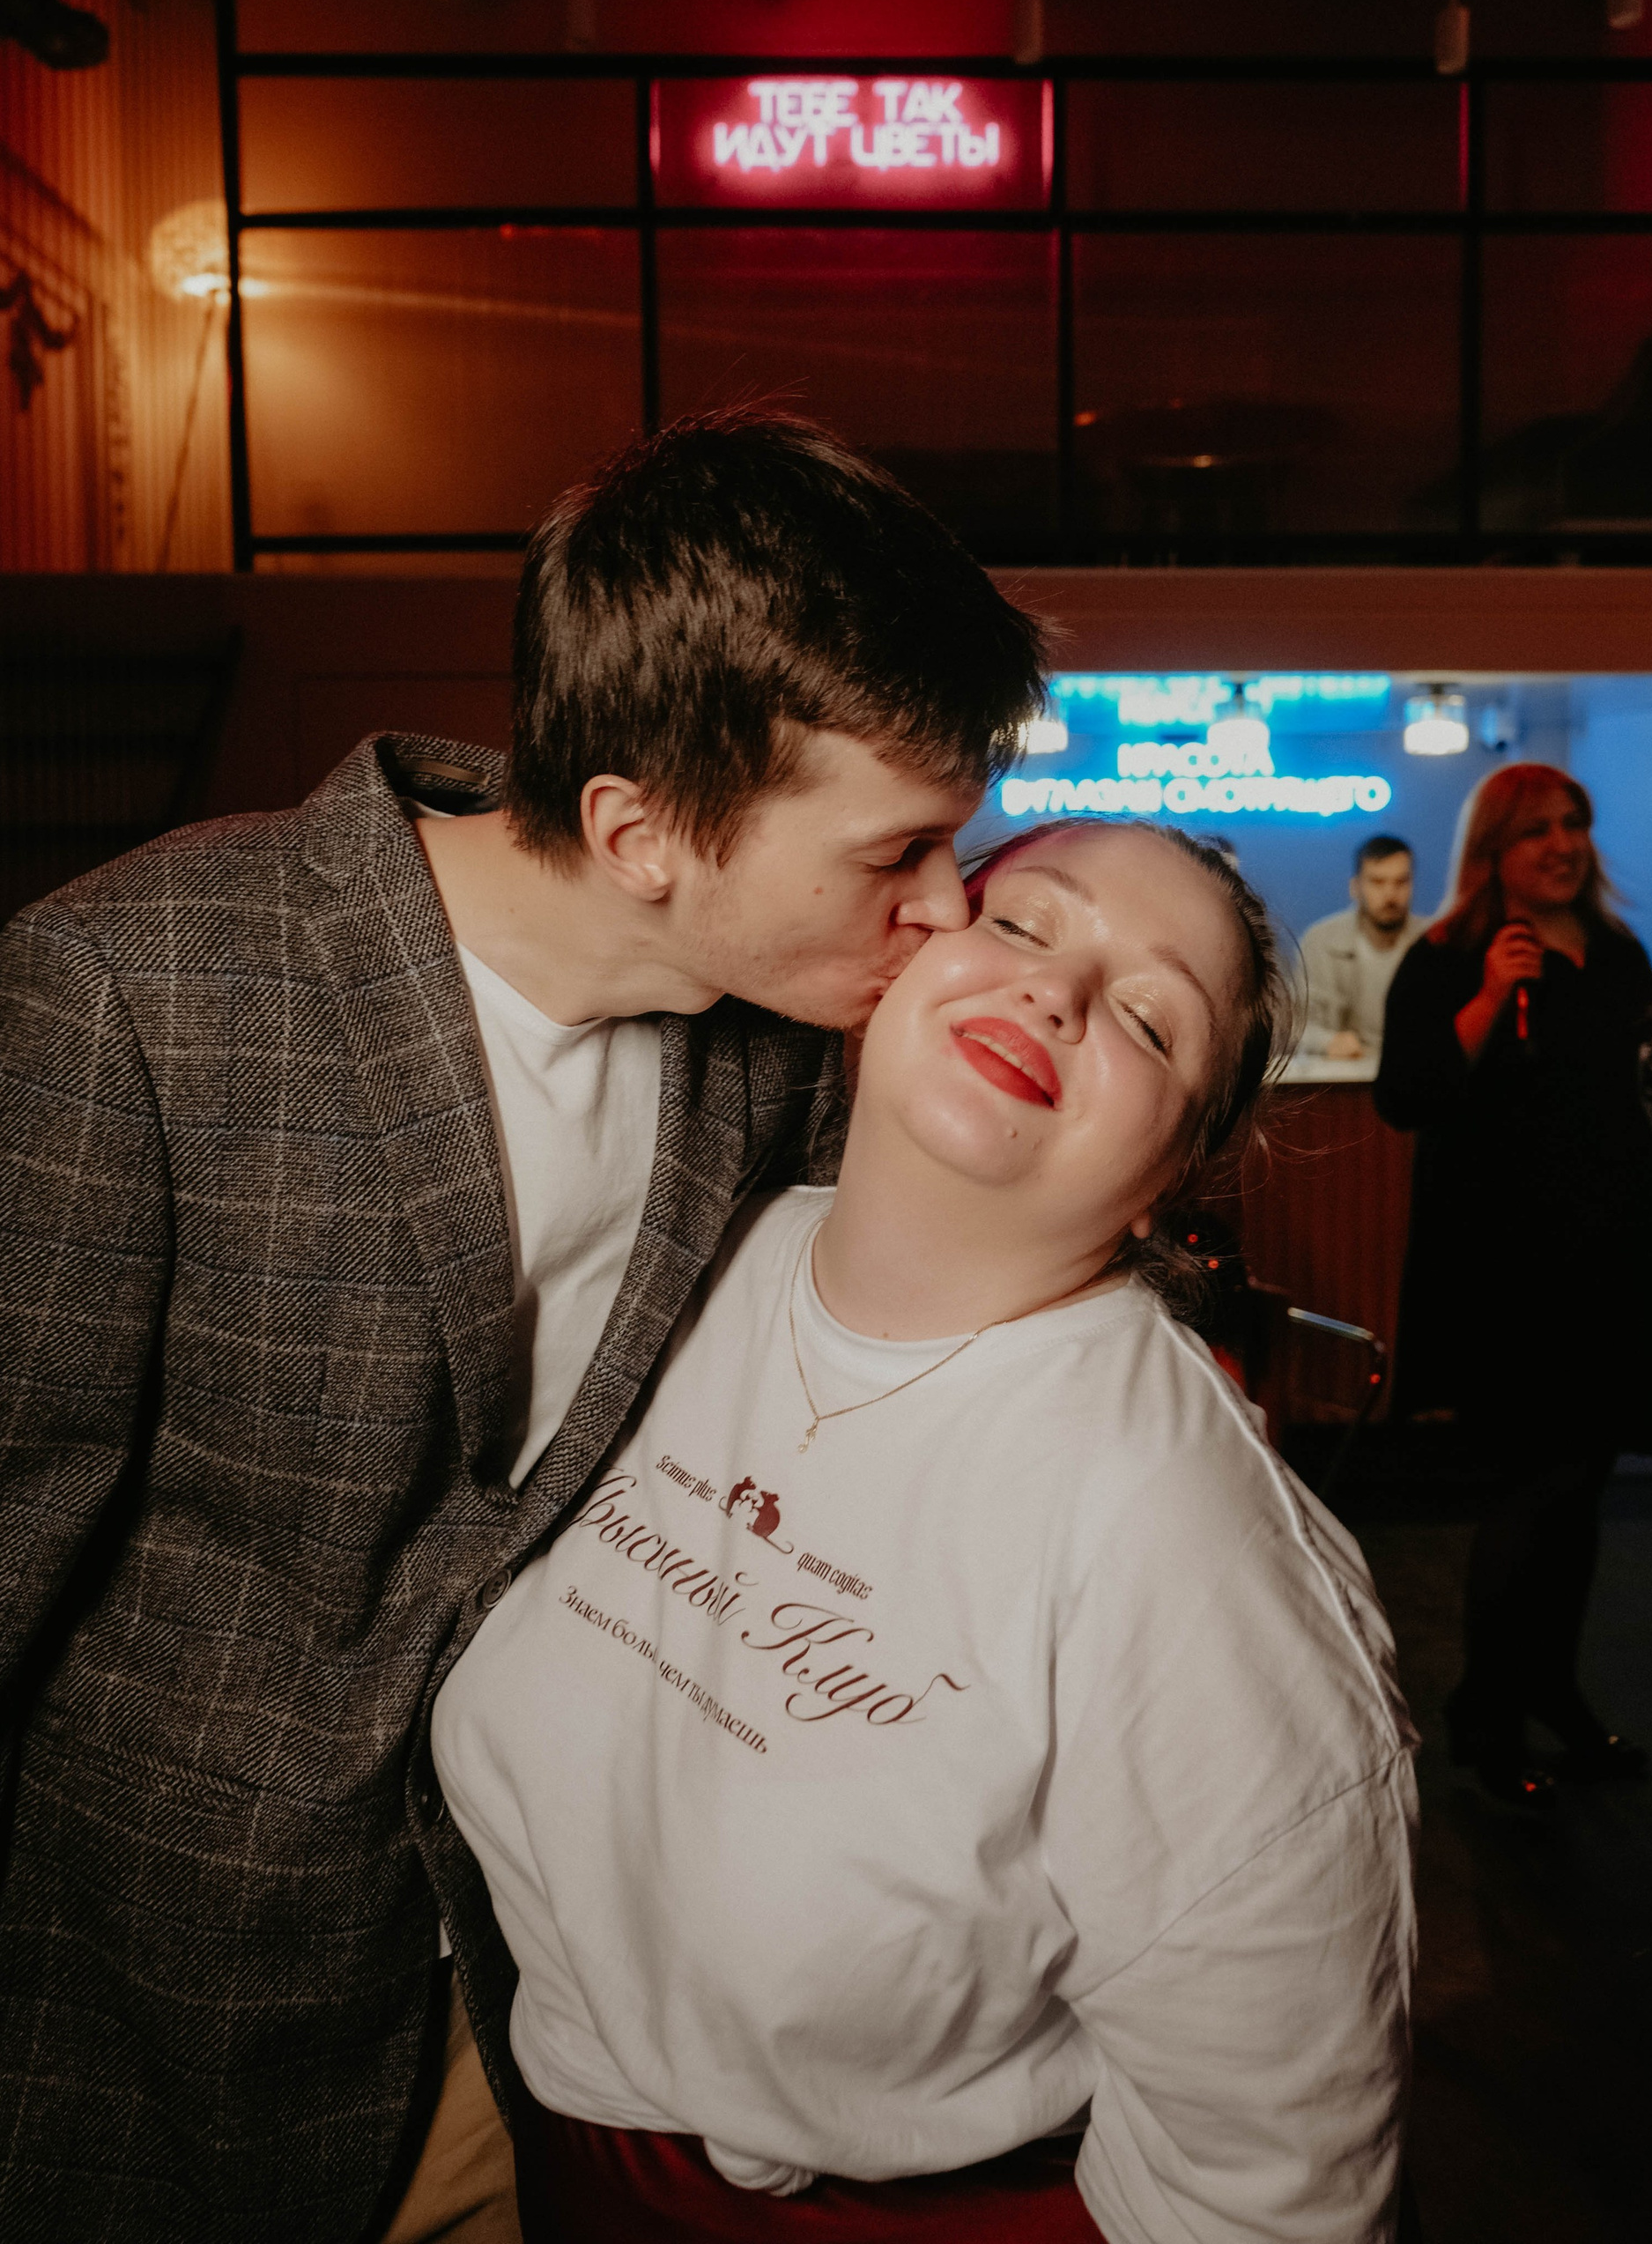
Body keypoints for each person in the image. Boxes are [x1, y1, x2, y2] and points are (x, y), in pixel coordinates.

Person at [0, 412, 1045, 2244]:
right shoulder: (129, 987)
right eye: (899, 852)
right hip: (149, 2031)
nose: (945, 907)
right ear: (642, 830)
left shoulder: (792, 1048)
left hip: (546, 2020)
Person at [434, 818, 1419, 2244]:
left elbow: (1269, 2195)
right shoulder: (669, 1260)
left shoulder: (1203, 1562)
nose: (1057, 993)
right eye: (1021, 924)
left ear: (1177, 1170)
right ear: (899, 964)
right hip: (548, 2164)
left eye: (1150, 1020)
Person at [1375, 763, 1652, 1809]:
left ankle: (1553, 1692)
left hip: (1614, 1265)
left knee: (1582, 1489)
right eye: (1538, 829)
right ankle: (1488, 1713)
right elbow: (1407, 1096)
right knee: (1532, 1489)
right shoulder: (1449, 957)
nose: (1563, 844)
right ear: (1493, 851)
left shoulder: (1619, 953)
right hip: (1511, 1276)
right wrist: (1493, 998)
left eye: (1574, 824)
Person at [1297, 833, 1428, 1063]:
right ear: (1355, 887)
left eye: (1401, 882)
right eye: (1378, 882)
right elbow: (1294, 1027)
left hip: (1417, 1072)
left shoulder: (1433, 942)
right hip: (1345, 1075)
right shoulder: (1321, 941)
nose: (1390, 895)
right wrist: (1328, 1041)